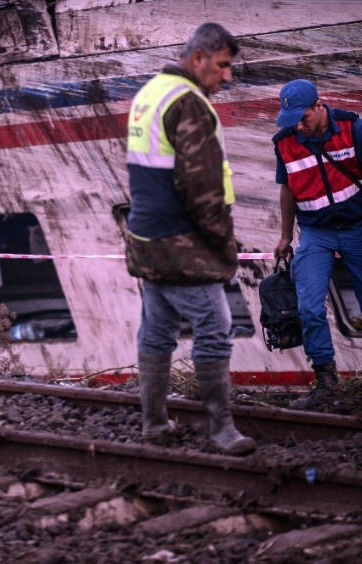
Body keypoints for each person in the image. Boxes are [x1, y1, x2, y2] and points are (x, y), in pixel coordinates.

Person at [124, 23, 256, 455]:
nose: (228, 77)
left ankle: (154, 424)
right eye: (223, 66)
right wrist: (222, 243)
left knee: (157, 331)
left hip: (146, 238)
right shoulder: (190, 104)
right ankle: (222, 430)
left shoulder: (148, 93)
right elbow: (201, 187)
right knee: (216, 329)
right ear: (198, 58)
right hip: (181, 243)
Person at [271, 79, 362, 409]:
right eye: (292, 121)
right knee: (308, 307)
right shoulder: (285, 142)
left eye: (302, 118)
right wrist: (286, 235)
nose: (298, 126)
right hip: (316, 233)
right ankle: (326, 384)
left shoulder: (353, 127)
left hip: (359, 228)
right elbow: (288, 189)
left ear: (320, 106)